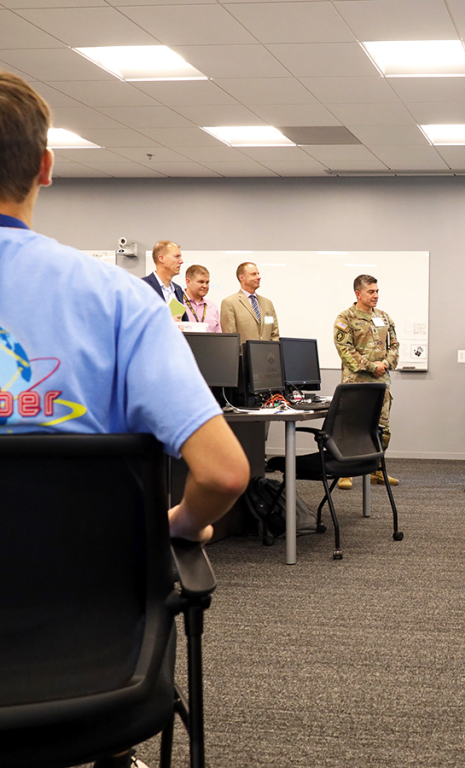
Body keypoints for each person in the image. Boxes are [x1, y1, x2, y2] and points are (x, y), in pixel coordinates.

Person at [0, 70, 249, 768]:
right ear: (45, 167)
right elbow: (226, 473)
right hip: (94, 662)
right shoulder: (117, 300)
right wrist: (175, 523)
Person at [334, 274, 400, 487]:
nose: (375, 295)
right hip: (356, 383)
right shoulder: (346, 318)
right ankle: (345, 472)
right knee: (351, 427)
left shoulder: (384, 317)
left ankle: (377, 470)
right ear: (358, 293)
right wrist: (373, 366)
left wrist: (387, 363)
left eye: (377, 291)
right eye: (371, 292)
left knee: (382, 428)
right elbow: (345, 351)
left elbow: (395, 345)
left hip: (381, 384)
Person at [220, 261, 280, 347]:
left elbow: (274, 333)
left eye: (258, 274)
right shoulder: (229, 303)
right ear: (242, 278)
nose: (259, 277)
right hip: (244, 358)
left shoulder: (268, 303)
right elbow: (230, 338)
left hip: (267, 357)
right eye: (253, 274)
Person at [141, 240, 186, 307]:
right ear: (161, 258)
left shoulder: (177, 289)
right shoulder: (143, 286)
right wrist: (167, 318)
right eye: (176, 256)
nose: (181, 261)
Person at [181, 263, 221, 332]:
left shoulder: (212, 307)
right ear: (188, 282)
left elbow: (219, 336)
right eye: (201, 282)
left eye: (207, 282)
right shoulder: (178, 302)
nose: (205, 286)